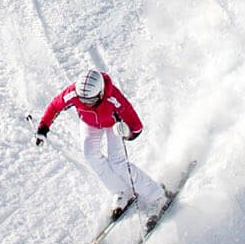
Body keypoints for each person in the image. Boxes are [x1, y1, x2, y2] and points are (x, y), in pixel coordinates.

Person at [35, 68, 167, 217]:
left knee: (118, 162)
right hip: (89, 123)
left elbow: (136, 126)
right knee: (90, 154)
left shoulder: (112, 97)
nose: (86, 104)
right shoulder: (73, 93)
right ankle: (121, 191)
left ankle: (156, 195)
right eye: (82, 100)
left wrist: (127, 133)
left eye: (90, 101)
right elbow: (55, 106)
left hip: (113, 125)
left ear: (100, 93)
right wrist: (43, 128)